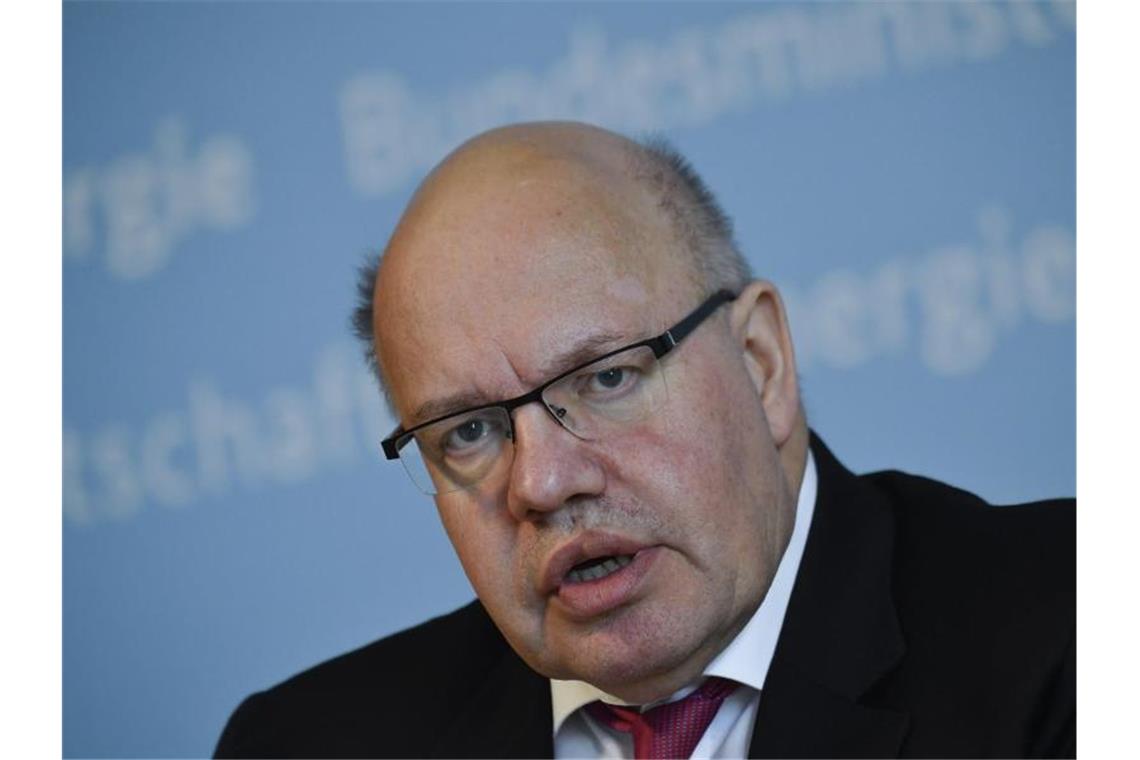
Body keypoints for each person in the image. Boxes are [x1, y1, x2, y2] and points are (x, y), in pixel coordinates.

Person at [215, 122, 1074, 758]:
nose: (542, 483)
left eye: (606, 379)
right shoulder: (303, 746)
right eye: (469, 431)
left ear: (761, 362)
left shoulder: (1074, 630)